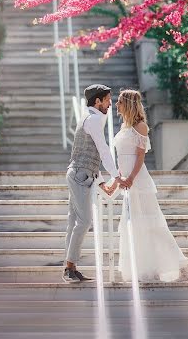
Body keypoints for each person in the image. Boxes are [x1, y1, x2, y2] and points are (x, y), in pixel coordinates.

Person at [108, 89, 188, 282]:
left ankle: (182, 264)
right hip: (127, 184)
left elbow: (140, 157)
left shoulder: (141, 126)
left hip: (139, 183)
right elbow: (121, 158)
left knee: (154, 226)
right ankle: (149, 269)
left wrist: (131, 178)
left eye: (120, 101)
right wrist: (117, 181)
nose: (117, 105)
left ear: (128, 103)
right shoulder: (123, 127)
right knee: (134, 227)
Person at [63, 84, 130, 283]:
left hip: (81, 175)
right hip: (79, 176)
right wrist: (117, 176)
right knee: (83, 222)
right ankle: (69, 268)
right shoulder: (93, 120)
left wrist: (100, 182)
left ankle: (70, 268)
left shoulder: (90, 119)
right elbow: (103, 150)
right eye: (107, 100)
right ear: (97, 101)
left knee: (74, 223)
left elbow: (91, 154)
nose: (110, 103)